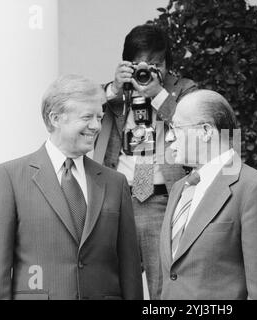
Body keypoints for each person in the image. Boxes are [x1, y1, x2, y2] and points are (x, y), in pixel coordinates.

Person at [0, 74, 143, 300]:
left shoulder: (115, 183)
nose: (96, 126)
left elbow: (130, 269)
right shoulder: (9, 177)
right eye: (88, 117)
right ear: (55, 118)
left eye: (99, 117)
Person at [93, 24, 197, 299]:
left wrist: (157, 95)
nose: (149, 71)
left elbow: (195, 127)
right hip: (118, 199)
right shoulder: (118, 91)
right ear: (128, 64)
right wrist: (114, 87)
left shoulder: (183, 90)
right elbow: (86, 108)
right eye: (143, 64)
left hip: (161, 201)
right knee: (114, 284)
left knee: (163, 285)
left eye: (157, 64)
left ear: (168, 63)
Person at [160, 89, 257, 299]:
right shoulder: (179, 189)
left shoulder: (254, 189)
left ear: (205, 131)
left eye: (176, 128)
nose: (168, 136)